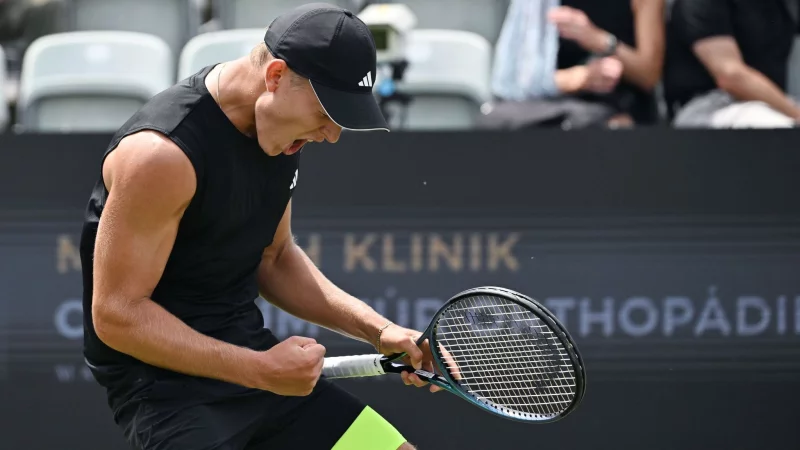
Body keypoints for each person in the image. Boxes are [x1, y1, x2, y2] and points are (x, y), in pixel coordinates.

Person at [79, 4, 437, 450]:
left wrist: (379, 331)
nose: (332, 135)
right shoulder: (161, 154)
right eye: (328, 112)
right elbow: (117, 315)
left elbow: (275, 257)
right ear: (276, 76)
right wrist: (259, 369)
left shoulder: (282, 127)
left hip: (255, 365)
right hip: (165, 391)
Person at [480, 0, 664, 130]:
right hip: (549, 107)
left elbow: (648, 74)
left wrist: (599, 40)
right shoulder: (537, 5)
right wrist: (580, 78)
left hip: (621, 107)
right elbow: (515, 81)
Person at [664, 0, 800, 128]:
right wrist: (795, 113)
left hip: (775, 103)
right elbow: (730, 77)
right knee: (782, 127)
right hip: (708, 108)